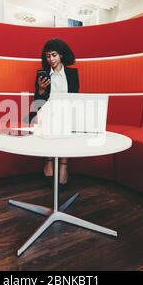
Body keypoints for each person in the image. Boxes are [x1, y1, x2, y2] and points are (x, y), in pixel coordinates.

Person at [33, 38, 80, 185]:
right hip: (47, 110)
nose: (51, 59)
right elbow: (38, 101)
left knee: (66, 118)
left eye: (54, 55)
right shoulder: (43, 74)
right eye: (48, 56)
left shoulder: (72, 74)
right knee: (50, 117)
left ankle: (63, 166)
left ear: (61, 55)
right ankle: (48, 161)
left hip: (67, 110)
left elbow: (75, 98)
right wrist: (41, 88)